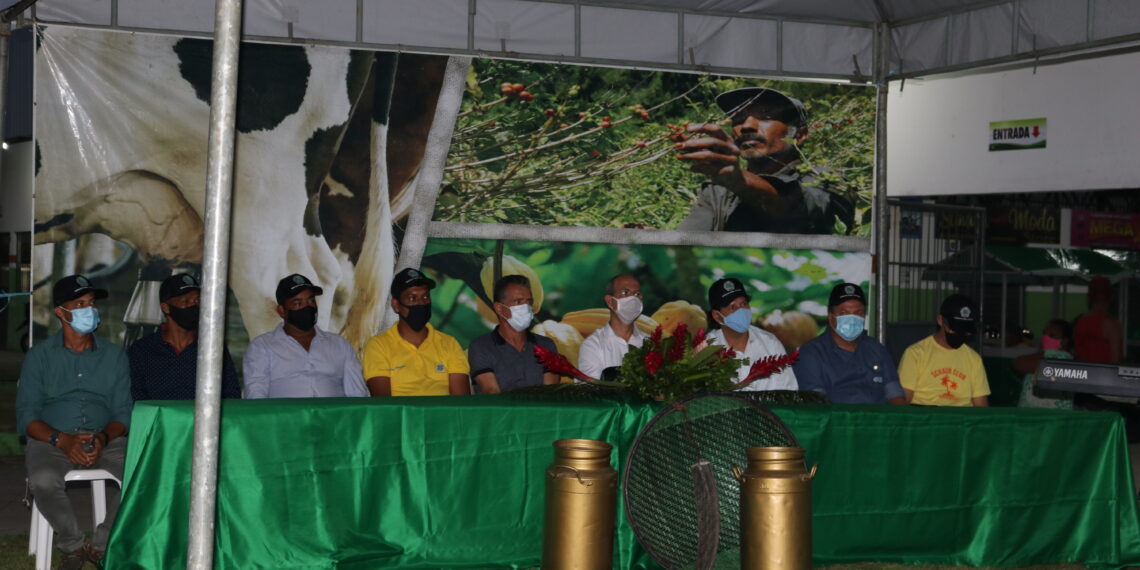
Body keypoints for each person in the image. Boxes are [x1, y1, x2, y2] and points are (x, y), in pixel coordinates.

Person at [16, 275, 132, 568]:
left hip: (106, 439)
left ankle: (102, 546)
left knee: (141, 476)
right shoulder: (39, 357)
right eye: (79, 304)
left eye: (91, 303)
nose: (89, 310)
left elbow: (123, 413)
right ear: (61, 312)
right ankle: (74, 547)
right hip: (52, 440)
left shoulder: (115, 356)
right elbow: (28, 417)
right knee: (43, 479)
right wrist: (62, 440)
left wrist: (103, 439)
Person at [675, 87, 854, 234]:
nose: (747, 126)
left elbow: (794, 207)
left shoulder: (827, 181)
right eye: (738, 118)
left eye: (766, 116)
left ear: (799, 135)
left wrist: (737, 179)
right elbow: (688, 242)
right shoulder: (718, 191)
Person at [243, 274, 368, 399]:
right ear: (282, 311)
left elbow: (358, 395)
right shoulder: (262, 347)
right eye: (297, 303)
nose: (307, 307)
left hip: (334, 417)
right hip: (286, 418)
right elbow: (256, 398)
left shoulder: (340, 345)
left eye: (311, 301)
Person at [128, 273, 242, 400]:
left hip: (204, 419)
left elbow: (231, 395)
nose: (193, 306)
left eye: (197, 301)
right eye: (185, 301)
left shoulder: (212, 348)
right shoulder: (142, 351)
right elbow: (136, 401)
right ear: (166, 308)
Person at [362, 268, 471, 396]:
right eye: (412, 298)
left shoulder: (449, 344)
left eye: (425, 296)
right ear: (396, 305)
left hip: (442, 415)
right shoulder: (378, 346)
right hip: (401, 416)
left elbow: (461, 403)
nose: (421, 303)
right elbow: (384, 404)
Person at [793, 283, 905, 404]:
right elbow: (816, 404)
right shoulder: (811, 353)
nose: (852, 318)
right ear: (831, 318)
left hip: (877, 420)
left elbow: (895, 396)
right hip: (835, 421)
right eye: (844, 313)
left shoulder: (876, 348)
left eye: (858, 313)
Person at [467, 275, 560, 393]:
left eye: (529, 302)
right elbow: (491, 391)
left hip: (539, 410)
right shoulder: (481, 346)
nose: (526, 308)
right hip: (501, 411)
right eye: (518, 302)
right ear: (499, 308)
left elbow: (549, 392)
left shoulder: (547, 345)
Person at [705, 277, 798, 391]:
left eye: (743, 304)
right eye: (732, 307)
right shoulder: (706, 349)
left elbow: (790, 390)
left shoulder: (769, 342)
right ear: (717, 316)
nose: (741, 310)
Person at [898, 294, 990, 406]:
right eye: (955, 329)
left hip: (962, 421)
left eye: (965, 330)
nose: (960, 334)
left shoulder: (974, 359)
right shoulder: (915, 354)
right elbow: (903, 401)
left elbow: (981, 408)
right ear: (940, 320)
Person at [578, 274, 649, 380]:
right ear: (610, 301)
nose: (633, 299)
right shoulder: (593, 345)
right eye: (625, 292)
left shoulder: (650, 343)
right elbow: (590, 391)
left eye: (637, 294)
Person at [1013, 319, 1075, 409]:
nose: (1046, 338)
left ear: (1064, 341)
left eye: (1051, 335)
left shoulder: (1066, 361)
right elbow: (1018, 363)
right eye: (1044, 333)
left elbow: (1021, 364)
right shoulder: (1040, 357)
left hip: (1054, 419)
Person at [1073, 276, 1123, 363]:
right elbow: (1116, 358)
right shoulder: (1111, 324)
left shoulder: (1080, 321)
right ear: (1111, 297)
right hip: (1103, 374)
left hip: (1082, 372)